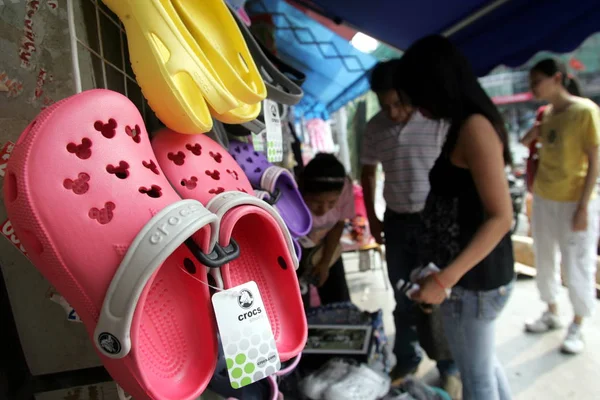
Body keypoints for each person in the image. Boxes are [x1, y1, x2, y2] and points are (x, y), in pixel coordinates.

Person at [394, 35, 515, 400]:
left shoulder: (474, 127)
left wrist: (445, 280)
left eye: (418, 95)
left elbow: (500, 217)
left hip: (474, 283)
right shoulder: (464, 124)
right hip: (467, 277)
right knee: (483, 366)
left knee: (476, 382)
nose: (416, 106)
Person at [360, 59, 460, 396]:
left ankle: (450, 365)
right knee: (403, 293)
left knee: (437, 293)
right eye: (385, 105)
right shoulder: (374, 129)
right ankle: (406, 358)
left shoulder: (436, 121)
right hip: (398, 222)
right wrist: (374, 220)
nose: (393, 112)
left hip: (434, 223)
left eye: (399, 103)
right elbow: (369, 172)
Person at [520, 58, 599, 354]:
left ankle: (577, 322)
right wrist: (535, 130)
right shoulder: (547, 114)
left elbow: (595, 162)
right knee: (544, 257)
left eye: (536, 81)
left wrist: (582, 208)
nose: (532, 88)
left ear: (557, 78)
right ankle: (552, 311)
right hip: (544, 198)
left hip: (574, 201)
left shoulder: (585, 111)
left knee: (577, 263)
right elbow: (527, 142)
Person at [298, 153, 355, 305]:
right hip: (296, 252)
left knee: (338, 301)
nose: (323, 209)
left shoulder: (345, 187)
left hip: (327, 248)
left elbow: (338, 224)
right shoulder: (292, 197)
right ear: (304, 192)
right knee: (299, 303)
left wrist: (324, 263)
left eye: (331, 203)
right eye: (316, 203)